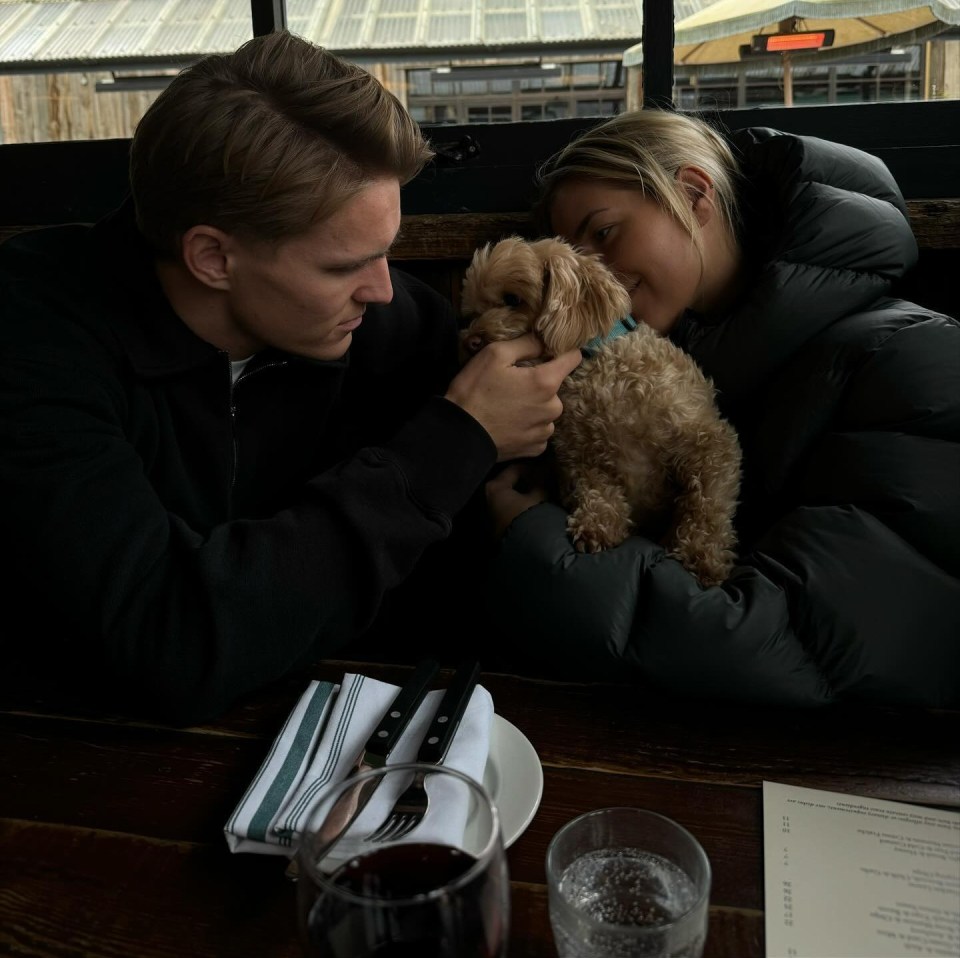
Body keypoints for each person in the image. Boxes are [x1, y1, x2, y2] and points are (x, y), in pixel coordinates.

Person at [0, 31, 581, 725]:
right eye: (343, 267)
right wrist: (454, 444)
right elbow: (166, 638)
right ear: (213, 258)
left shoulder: (397, 330)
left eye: (387, 254)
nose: (384, 291)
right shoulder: (34, 337)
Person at [482, 109, 960, 709]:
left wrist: (537, 543)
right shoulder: (646, 371)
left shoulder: (911, 359)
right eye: (571, 254)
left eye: (603, 233)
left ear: (693, 193)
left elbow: (790, 651)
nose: (586, 273)